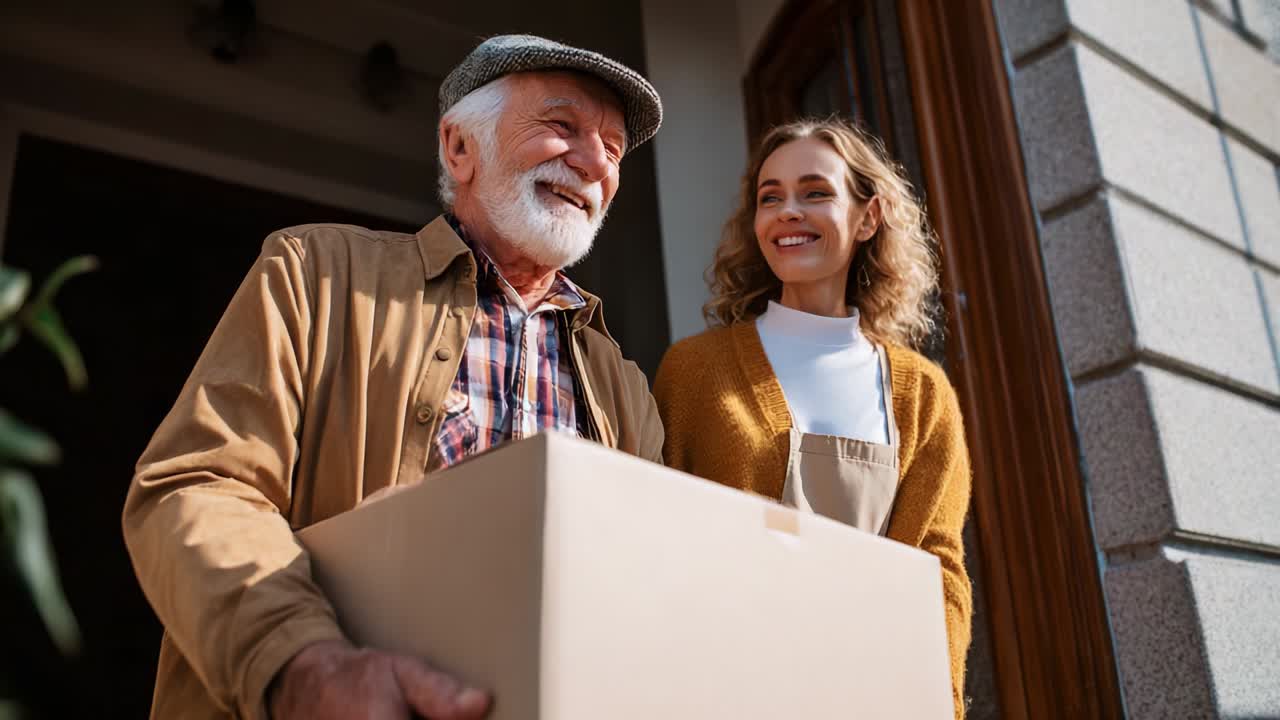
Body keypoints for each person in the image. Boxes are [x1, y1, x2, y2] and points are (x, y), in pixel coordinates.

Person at [122, 34, 664, 720]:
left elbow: (647, 584)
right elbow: (197, 486)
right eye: (562, 125)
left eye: (613, 149)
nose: (595, 163)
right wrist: (307, 667)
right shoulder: (314, 274)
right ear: (459, 148)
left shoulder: (625, 386)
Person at [653, 118, 973, 718]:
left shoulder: (924, 395)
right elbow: (661, 545)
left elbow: (940, 573)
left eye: (815, 192)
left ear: (868, 218)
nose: (788, 212)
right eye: (770, 197)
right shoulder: (694, 372)